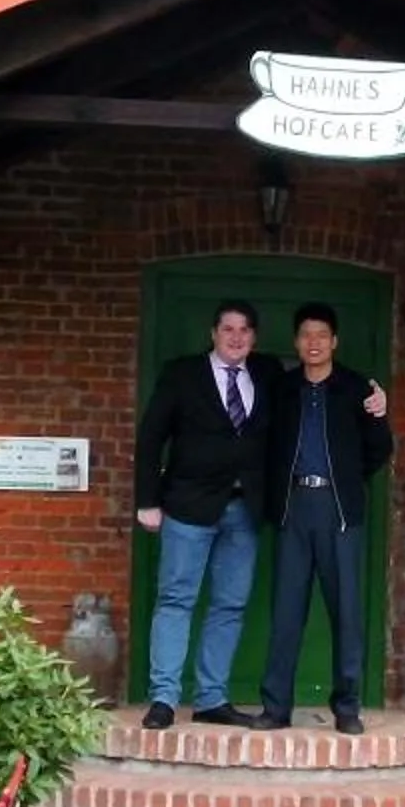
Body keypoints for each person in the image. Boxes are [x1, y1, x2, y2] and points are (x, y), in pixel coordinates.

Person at [133, 300, 279, 730]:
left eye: (245, 330)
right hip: (187, 507)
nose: (236, 337)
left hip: (244, 510)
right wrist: (147, 500)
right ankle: (163, 698)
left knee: (230, 605)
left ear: (254, 337)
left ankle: (211, 699)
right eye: (228, 328)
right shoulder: (182, 373)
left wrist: (372, 402)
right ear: (213, 333)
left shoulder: (268, 374)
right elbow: (151, 437)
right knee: (176, 599)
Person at [252, 301, 395, 735]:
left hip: (338, 511)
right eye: (305, 335)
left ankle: (347, 707)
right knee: (286, 611)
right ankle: (276, 708)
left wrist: (347, 479)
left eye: (321, 335)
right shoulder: (283, 387)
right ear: (296, 342)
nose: (313, 343)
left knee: (346, 612)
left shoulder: (355, 388)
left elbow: (379, 447)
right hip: (294, 508)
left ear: (334, 341)